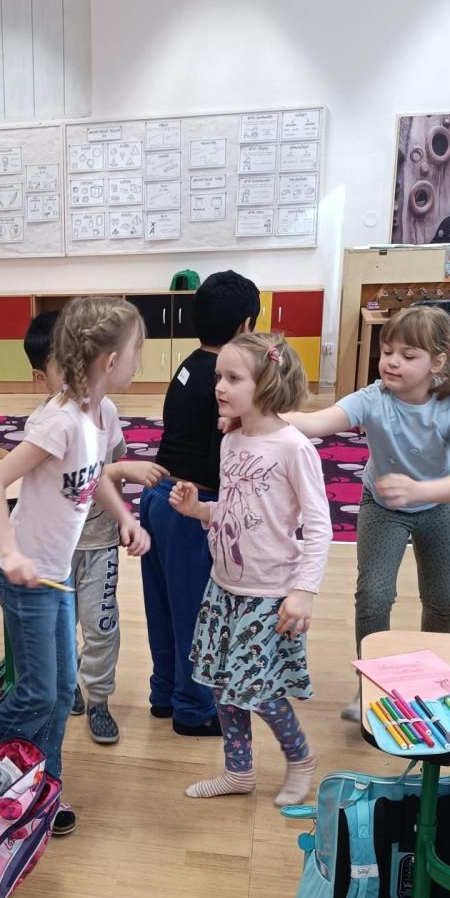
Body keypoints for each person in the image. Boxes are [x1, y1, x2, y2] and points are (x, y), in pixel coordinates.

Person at [0, 297, 151, 835]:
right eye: (137, 350)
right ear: (111, 361)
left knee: (58, 693)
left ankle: (43, 789)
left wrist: (125, 517)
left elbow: (95, 479)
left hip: (57, 574)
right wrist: (10, 551)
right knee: (37, 694)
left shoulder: (104, 414)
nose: (140, 361)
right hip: (26, 577)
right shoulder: (60, 421)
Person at [282, 302, 450, 718]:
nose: (392, 362)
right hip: (382, 506)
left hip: (439, 506)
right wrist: (260, 415)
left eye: (408, 355)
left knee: (443, 598)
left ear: (438, 362)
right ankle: (372, 685)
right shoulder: (373, 397)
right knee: (374, 596)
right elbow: (316, 423)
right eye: (387, 352)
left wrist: (420, 490)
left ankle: (434, 679)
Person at [170, 333, 331, 806]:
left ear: (268, 383)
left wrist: (304, 592)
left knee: (258, 692)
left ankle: (300, 757)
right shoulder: (232, 440)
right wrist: (200, 510)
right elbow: (235, 508)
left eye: (233, 378)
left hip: (271, 592)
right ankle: (238, 772)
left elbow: (320, 526)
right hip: (224, 587)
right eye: (219, 376)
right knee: (224, 686)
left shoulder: (293, 448)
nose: (219, 386)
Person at [24, 310, 167, 746]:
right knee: (59, 626)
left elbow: (110, 471)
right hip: (56, 549)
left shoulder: (107, 411)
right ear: (42, 376)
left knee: (101, 624)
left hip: (99, 541)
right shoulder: (46, 423)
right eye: (61, 367)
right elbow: (62, 482)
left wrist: (123, 517)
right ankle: (68, 687)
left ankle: (99, 698)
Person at [140, 270, 261, 737]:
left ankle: (165, 693)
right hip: (190, 504)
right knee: (196, 611)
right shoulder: (226, 381)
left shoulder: (188, 364)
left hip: (158, 496)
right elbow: (223, 458)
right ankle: (193, 708)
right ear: (245, 326)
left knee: (164, 607)